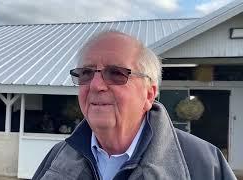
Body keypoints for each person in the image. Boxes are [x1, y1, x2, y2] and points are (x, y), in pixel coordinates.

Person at [32, 31, 236, 180]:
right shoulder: (57, 158)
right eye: (86, 73)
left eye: (116, 73)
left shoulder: (204, 164)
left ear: (149, 94)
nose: (95, 85)